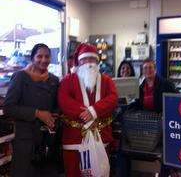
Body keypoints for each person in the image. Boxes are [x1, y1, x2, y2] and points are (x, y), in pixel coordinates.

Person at [58, 43, 118, 177]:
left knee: (101, 171)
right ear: (79, 62)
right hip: (74, 138)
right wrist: (85, 113)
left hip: (100, 136)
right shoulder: (68, 80)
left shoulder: (107, 81)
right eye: (85, 59)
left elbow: (113, 98)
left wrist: (94, 110)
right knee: (74, 171)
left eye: (93, 59)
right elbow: (63, 100)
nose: (89, 63)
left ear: (97, 62)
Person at [3, 44, 60, 177]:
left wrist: (55, 117)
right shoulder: (20, 77)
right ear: (32, 58)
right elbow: (8, 108)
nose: (43, 60)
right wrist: (37, 113)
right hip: (26, 141)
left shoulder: (53, 80)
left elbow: (56, 106)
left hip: (47, 141)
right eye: (39, 56)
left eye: (47, 56)